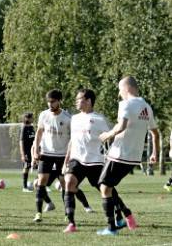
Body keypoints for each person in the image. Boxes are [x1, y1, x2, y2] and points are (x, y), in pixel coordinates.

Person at [98, 76, 159, 236]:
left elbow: (122, 125)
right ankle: (123, 216)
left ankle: (112, 227)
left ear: (126, 88)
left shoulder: (126, 104)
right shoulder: (147, 106)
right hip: (134, 158)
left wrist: (107, 135)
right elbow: (155, 133)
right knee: (108, 186)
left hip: (120, 154)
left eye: (120, 89)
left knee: (104, 187)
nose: (119, 93)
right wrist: (154, 153)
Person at [62, 89, 130, 233]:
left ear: (88, 101)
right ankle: (71, 223)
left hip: (95, 162)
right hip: (77, 160)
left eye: (79, 98)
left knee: (107, 190)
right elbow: (72, 141)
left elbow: (114, 135)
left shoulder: (100, 119)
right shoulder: (74, 118)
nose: (76, 101)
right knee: (68, 183)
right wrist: (66, 160)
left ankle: (121, 212)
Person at [32, 89, 70, 223]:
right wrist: (36, 150)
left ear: (59, 101)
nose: (50, 104)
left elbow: (72, 138)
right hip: (46, 153)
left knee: (64, 183)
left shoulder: (67, 118)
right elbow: (39, 133)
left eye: (53, 102)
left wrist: (70, 155)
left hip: (62, 154)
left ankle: (67, 214)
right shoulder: (43, 115)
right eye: (48, 102)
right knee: (40, 182)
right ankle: (38, 213)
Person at [19, 112, 35, 192]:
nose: (33, 118)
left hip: (33, 152)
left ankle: (40, 185)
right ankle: (24, 187)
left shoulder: (32, 127)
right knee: (26, 168)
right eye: (31, 117)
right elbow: (21, 141)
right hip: (26, 152)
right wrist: (23, 154)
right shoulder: (24, 127)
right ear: (27, 118)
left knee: (40, 168)